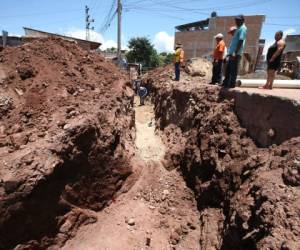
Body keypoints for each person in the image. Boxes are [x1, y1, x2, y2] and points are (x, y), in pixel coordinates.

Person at [223, 15, 247, 88]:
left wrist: (235, 53)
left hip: (235, 54)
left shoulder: (243, 28)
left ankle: (231, 84)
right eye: (236, 20)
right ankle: (226, 83)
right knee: (229, 69)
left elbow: (241, 41)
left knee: (233, 70)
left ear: (242, 20)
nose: (236, 21)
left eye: (238, 20)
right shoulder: (239, 28)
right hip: (232, 53)